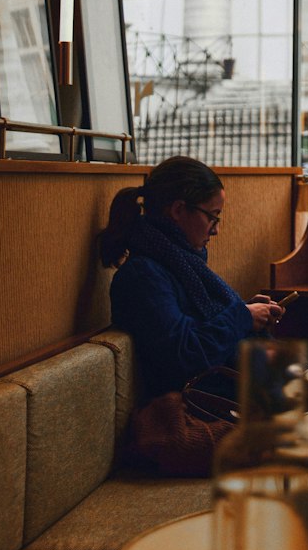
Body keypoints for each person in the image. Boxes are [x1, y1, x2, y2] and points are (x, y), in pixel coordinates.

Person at [97, 154, 284, 400]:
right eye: (212, 217)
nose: (216, 229)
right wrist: (241, 316)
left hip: (229, 392)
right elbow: (185, 355)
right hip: (208, 404)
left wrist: (246, 311)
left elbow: (197, 326)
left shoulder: (178, 262)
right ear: (178, 210)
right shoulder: (143, 276)